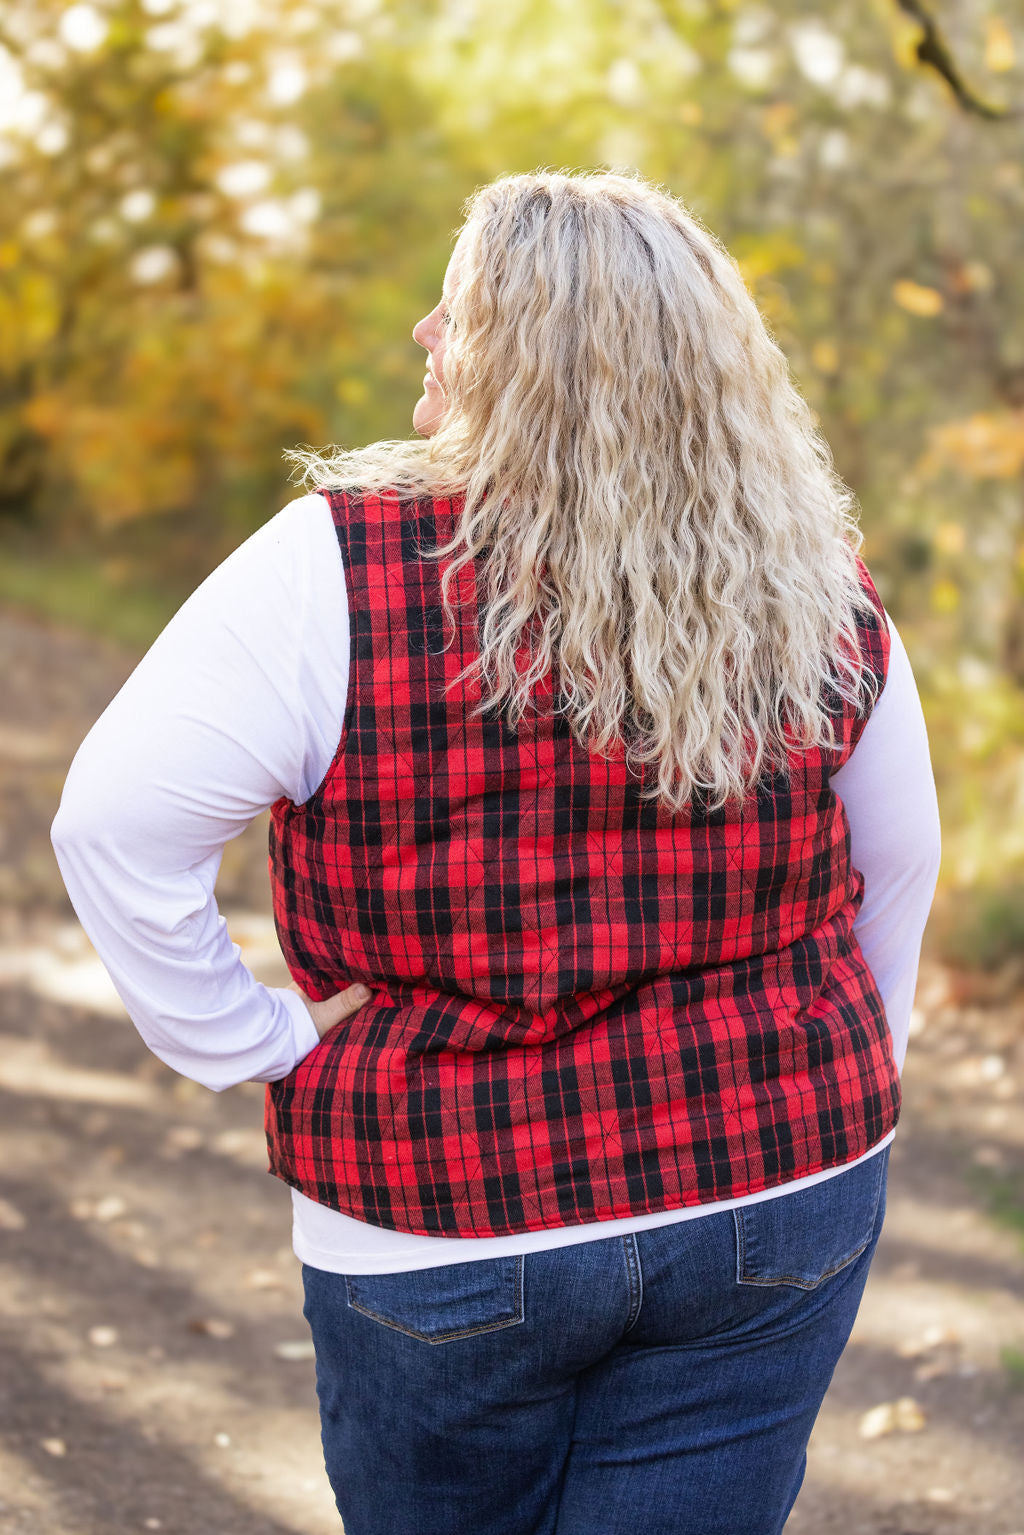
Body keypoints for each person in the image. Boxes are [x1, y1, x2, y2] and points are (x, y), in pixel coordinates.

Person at [51, 169, 941, 1535]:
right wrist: (837, 1071)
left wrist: (250, 1042)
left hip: (444, 1217)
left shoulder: (330, 570)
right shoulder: (812, 571)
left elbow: (115, 826)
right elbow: (901, 863)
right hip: (776, 1185)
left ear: (529, 353)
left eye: (457, 308)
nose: (422, 331)